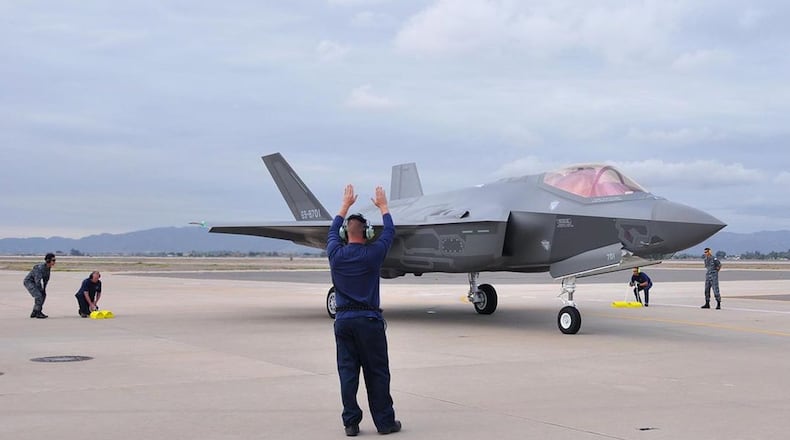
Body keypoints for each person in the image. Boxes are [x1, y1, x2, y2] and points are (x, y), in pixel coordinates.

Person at [327, 184, 401, 437]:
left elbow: (332, 232)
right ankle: (385, 423)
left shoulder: (335, 254)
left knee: (348, 373)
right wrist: (383, 206)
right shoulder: (374, 254)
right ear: (368, 233)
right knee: (377, 372)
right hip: (369, 321)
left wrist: (344, 205)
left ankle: (351, 423)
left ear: (345, 233)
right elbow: (390, 231)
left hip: (344, 321)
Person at [23, 253, 56, 319]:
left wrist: (44, 290)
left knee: (43, 295)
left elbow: (45, 280)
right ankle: (38, 312)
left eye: (54, 260)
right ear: (48, 260)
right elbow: (37, 281)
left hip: (35, 282)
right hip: (29, 282)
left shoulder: (48, 268)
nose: (54, 262)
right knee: (38, 296)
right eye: (53, 260)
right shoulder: (40, 268)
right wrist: (40, 290)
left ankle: (35, 311)